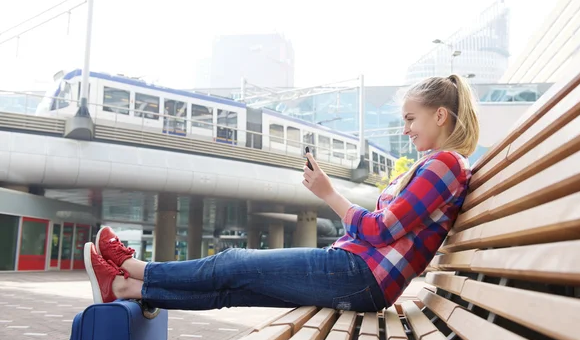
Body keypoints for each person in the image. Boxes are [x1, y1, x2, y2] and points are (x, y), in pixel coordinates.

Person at [83, 74, 479, 312]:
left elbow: (380, 231)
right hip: (358, 274)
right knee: (237, 288)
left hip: (360, 276)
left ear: (439, 115)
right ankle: (125, 288)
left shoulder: (445, 164)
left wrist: (328, 194)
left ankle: (137, 269)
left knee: (234, 262)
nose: (406, 129)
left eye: (411, 119)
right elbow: (385, 229)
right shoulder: (436, 165)